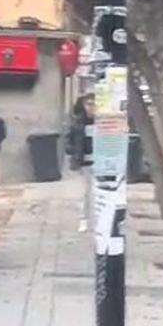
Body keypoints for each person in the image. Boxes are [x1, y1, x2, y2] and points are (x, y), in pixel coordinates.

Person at [66, 95, 95, 232]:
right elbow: (69, 140)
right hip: (85, 163)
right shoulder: (78, 122)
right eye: (88, 104)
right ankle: (84, 220)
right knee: (85, 193)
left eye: (94, 104)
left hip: (101, 163)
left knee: (99, 193)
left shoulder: (103, 122)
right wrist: (73, 152)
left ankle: (98, 219)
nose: (91, 107)